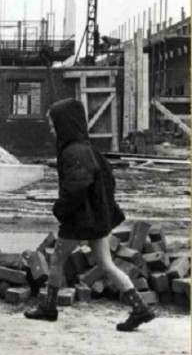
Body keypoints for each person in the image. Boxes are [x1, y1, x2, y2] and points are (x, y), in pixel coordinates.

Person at [24, 98, 156, 331]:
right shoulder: (89, 150)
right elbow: (106, 181)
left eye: (53, 124)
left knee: (56, 260)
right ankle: (140, 308)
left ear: (64, 124)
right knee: (106, 264)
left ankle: (49, 308)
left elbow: (76, 188)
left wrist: (60, 209)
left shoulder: (72, 153)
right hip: (97, 220)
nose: (51, 129)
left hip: (79, 220)